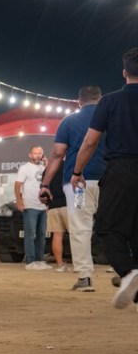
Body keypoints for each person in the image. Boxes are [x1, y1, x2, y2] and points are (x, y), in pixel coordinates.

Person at [72, 48, 138, 310]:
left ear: (124, 72)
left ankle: (127, 271)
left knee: (107, 226)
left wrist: (77, 172)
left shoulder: (109, 102)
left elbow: (90, 142)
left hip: (121, 168)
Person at [40, 86, 106, 292]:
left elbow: (57, 154)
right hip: (110, 181)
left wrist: (45, 184)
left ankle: (85, 278)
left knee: (80, 227)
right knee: (117, 223)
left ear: (79, 101)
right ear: (100, 98)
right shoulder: (110, 115)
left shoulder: (68, 121)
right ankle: (126, 272)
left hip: (79, 185)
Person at [15, 146, 50, 270]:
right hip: (30, 205)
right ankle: (30, 261)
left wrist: (47, 164)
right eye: (35, 153)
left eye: (40, 153)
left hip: (43, 206)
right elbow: (17, 185)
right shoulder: (25, 168)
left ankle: (40, 260)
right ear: (30, 155)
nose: (38, 155)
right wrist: (19, 202)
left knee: (41, 234)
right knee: (30, 235)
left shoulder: (44, 168)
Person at [42, 165, 70, 272]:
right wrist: (79, 206)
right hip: (69, 205)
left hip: (53, 206)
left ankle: (60, 265)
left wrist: (48, 205)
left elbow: (44, 189)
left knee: (57, 235)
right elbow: (78, 185)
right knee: (76, 234)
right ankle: (80, 265)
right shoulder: (72, 165)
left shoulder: (48, 168)